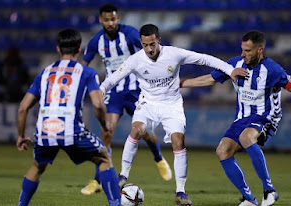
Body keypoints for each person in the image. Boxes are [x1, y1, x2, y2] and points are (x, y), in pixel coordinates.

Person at [180, 30, 291, 206]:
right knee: (222, 151)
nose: (243, 54)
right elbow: (210, 79)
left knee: (246, 137)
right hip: (242, 118)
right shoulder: (235, 64)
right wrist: (181, 83)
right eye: (242, 50)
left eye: (248, 51)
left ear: (260, 50)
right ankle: (249, 198)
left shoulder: (273, 70)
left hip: (266, 117)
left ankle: (269, 190)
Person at [100, 23, 242, 206]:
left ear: (159, 40)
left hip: (171, 104)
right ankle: (123, 175)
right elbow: (113, 78)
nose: (149, 49)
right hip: (147, 103)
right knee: (136, 130)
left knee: (178, 141)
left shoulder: (174, 54)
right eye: (145, 45)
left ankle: (180, 192)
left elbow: (205, 59)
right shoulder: (135, 60)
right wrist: (102, 89)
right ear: (141, 44)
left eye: (152, 44)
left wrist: (230, 70)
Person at [16, 28, 121, 206]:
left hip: (45, 130)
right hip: (71, 130)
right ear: (79, 49)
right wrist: (104, 124)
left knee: (37, 167)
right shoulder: (86, 72)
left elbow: (23, 107)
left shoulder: (45, 72)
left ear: (58, 49)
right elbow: (97, 104)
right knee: (104, 157)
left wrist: (20, 135)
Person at [80, 3, 172, 195]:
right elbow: (83, 65)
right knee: (107, 132)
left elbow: (149, 55)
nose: (110, 22)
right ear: (101, 20)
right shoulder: (96, 41)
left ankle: (158, 159)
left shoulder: (130, 34)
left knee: (146, 133)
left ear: (118, 18)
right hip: (114, 93)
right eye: (106, 19)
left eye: (113, 19)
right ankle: (97, 180)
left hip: (136, 90)